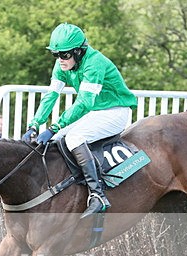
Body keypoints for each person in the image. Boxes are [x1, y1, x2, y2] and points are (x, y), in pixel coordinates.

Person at [22, 23, 138, 218]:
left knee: (74, 138)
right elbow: (50, 96)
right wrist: (34, 124)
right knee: (56, 139)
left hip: (115, 112)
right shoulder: (63, 65)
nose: (60, 60)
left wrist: (53, 126)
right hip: (96, 112)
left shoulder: (95, 63)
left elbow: (84, 103)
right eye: (56, 55)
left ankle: (98, 195)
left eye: (65, 55)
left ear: (79, 51)